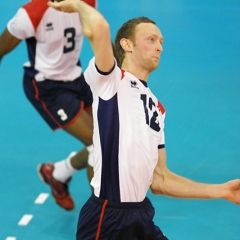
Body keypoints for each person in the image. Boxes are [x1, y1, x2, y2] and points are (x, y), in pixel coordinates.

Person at [48, 0, 240, 239]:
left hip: (141, 216)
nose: (159, 47)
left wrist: (221, 190)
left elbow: (160, 179)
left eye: (161, 42)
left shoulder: (157, 109)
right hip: (106, 218)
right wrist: (78, 4)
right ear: (126, 44)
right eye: (151, 39)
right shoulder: (111, 81)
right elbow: (98, 28)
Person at [0, 0, 98, 211]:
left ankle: (57, 173)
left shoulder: (87, 2)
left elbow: (98, 35)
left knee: (107, 138)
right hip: (47, 88)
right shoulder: (31, 13)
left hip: (76, 77)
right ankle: (103, 218)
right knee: (98, 144)